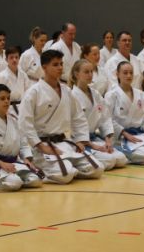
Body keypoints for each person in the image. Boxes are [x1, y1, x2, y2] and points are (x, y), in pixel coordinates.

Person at [21, 50, 105, 183]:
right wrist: (41, 146)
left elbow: (78, 117)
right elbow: (25, 124)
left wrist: (81, 140)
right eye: (55, 64)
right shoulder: (33, 92)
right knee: (65, 175)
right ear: (44, 67)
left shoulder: (66, 90)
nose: (60, 67)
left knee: (97, 169)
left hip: (64, 142)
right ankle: (41, 169)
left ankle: (70, 168)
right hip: (42, 145)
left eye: (61, 64)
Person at [0, 84, 42, 191]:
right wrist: (1, 163)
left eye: (8, 98)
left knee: (35, 180)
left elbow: (23, 144)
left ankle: (14, 177)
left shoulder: (14, 122)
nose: (7, 101)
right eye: (2, 99)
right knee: (15, 183)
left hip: (14, 163)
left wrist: (27, 159)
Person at [69, 59, 127, 169]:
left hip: (95, 138)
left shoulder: (96, 94)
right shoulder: (72, 96)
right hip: (80, 142)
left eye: (91, 71)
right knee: (110, 161)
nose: (90, 75)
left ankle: (95, 156)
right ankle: (81, 163)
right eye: (86, 72)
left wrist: (108, 140)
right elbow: (72, 128)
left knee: (121, 159)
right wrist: (93, 146)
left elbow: (105, 119)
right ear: (77, 74)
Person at [106, 62, 144, 164]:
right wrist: (124, 133)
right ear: (117, 74)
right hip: (121, 137)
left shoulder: (140, 94)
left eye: (131, 73)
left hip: (139, 134)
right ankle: (120, 150)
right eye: (125, 73)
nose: (129, 75)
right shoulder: (111, 95)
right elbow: (108, 119)